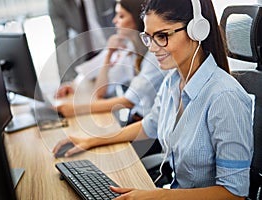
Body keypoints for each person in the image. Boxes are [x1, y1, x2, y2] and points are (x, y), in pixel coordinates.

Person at [53, 0, 254, 198]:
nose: (152, 48)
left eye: (162, 36)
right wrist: (91, 140)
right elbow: (148, 126)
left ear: (197, 31)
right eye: (148, 37)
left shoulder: (224, 97)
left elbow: (233, 193)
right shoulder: (172, 82)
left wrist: (157, 196)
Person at [54, 0, 148, 99]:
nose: (114, 21)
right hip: (93, 54)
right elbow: (100, 92)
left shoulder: (151, 55)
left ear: (137, 18)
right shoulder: (127, 54)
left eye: (121, 16)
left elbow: (130, 100)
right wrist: (109, 55)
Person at [48, 0, 115, 82]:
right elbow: (61, 41)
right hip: (86, 59)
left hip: (113, 51)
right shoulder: (56, 2)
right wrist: (67, 81)